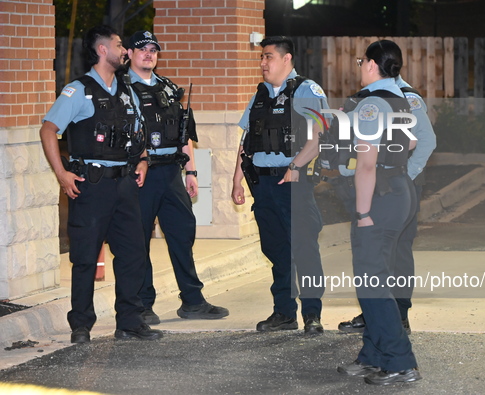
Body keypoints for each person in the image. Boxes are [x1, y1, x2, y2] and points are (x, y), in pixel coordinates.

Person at [39, 25, 163, 343]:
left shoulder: (126, 90)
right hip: (91, 186)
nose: (125, 51)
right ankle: (81, 324)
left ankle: (130, 322)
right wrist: (61, 173)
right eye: (120, 45)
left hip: (124, 186)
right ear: (102, 50)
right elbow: (48, 130)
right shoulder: (78, 90)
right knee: (84, 257)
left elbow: (138, 132)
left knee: (133, 254)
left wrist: (144, 160)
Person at [124, 30, 229, 324]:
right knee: (138, 240)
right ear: (129, 54)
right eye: (141, 48)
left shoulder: (168, 88)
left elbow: (185, 134)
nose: (148, 53)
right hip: (139, 176)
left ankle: (193, 301)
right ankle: (142, 304)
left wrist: (191, 171)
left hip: (171, 173)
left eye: (153, 49)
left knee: (183, 235)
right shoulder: (120, 89)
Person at [335, 40, 421, 385]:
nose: (359, 66)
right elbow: (412, 142)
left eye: (361, 61)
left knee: (372, 284)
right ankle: (373, 356)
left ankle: (401, 361)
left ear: (372, 64)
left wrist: (362, 212)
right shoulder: (401, 99)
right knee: (376, 280)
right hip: (399, 191)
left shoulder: (371, 103)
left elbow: (366, 165)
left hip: (379, 197)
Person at [231, 36, 326, 335]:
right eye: (262, 57)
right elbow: (246, 142)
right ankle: (284, 313)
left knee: (304, 249)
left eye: (268, 57)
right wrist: (236, 180)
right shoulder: (259, 95)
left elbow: (317, 138)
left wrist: (295, 166)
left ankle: (312, 313)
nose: (262, 63)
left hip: (293, 184)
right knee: (276, 250)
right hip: (264, 184)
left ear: (287, 59)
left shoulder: (306, 91)